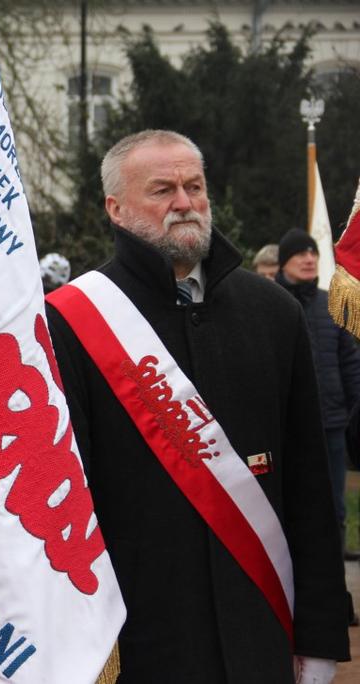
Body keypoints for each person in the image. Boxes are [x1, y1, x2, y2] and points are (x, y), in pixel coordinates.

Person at [45, 130, 349, 683]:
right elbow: (65, 505)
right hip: (144, 639)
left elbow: (310, 490)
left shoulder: (275, 312)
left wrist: (321, 638)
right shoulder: (68, 323)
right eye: (162, 190)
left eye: (194, 186)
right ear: (115, 208)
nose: (184, 203)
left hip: (261, 631)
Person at [275, 228, 360, 562]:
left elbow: (351, 364)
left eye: (313, 253)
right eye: (300, 254)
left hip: (333, 422)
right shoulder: (271, 304)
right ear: (284, 263)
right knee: (295, 501)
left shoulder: (333, 304)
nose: (309, 259)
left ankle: (337, 576)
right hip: (288, 428)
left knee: (335, 502)